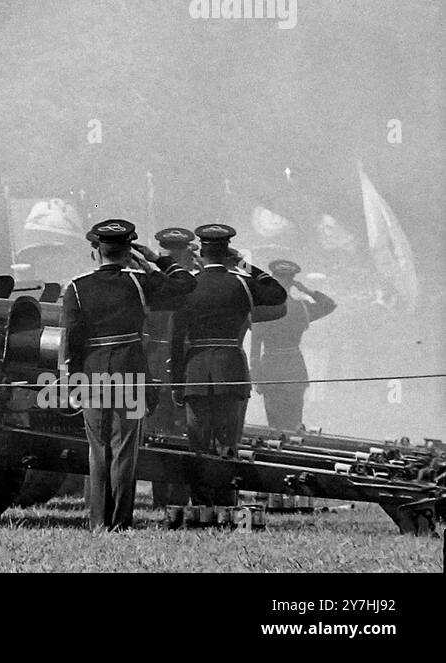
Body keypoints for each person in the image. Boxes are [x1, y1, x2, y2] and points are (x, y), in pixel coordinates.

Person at [61, 219, 197, 530]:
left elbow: (72, 341)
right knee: (125, 450)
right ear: (128, 251)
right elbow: (186, 286)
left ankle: (98, 522)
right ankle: (120, 522)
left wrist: (73, 381)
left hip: (93, 376)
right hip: (131, 374)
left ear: (97, 250)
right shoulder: (140, 281)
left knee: (98, 450)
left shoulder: (77, 287)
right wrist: (155, 261)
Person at [171, 224, 287, 505]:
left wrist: (177, 379)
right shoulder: (243, 283)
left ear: (202, 251)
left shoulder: (188, 284)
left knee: (198, 443)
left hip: (196, 370)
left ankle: (201, 503)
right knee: (228, 442)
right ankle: (225, 501)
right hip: (231, 369)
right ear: (228, 252)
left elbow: (177, 338)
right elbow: (278, 294)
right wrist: (245, 265)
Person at [144, 227, 198, 507]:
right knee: (176, 433)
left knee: (158, 433)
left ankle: (161, 498)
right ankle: (175, 497)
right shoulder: (187, 283)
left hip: (156, 366)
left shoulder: (150, 280)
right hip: (178, 366)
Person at [249, 259, 337, 431]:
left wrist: (257, 377)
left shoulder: (263, 309)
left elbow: (254, 351)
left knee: (275, 425)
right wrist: (307, 291)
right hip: (294, 367)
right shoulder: (302, 308)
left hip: (271, 370)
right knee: (294, 422)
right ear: (292, 282)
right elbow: (329, 305)